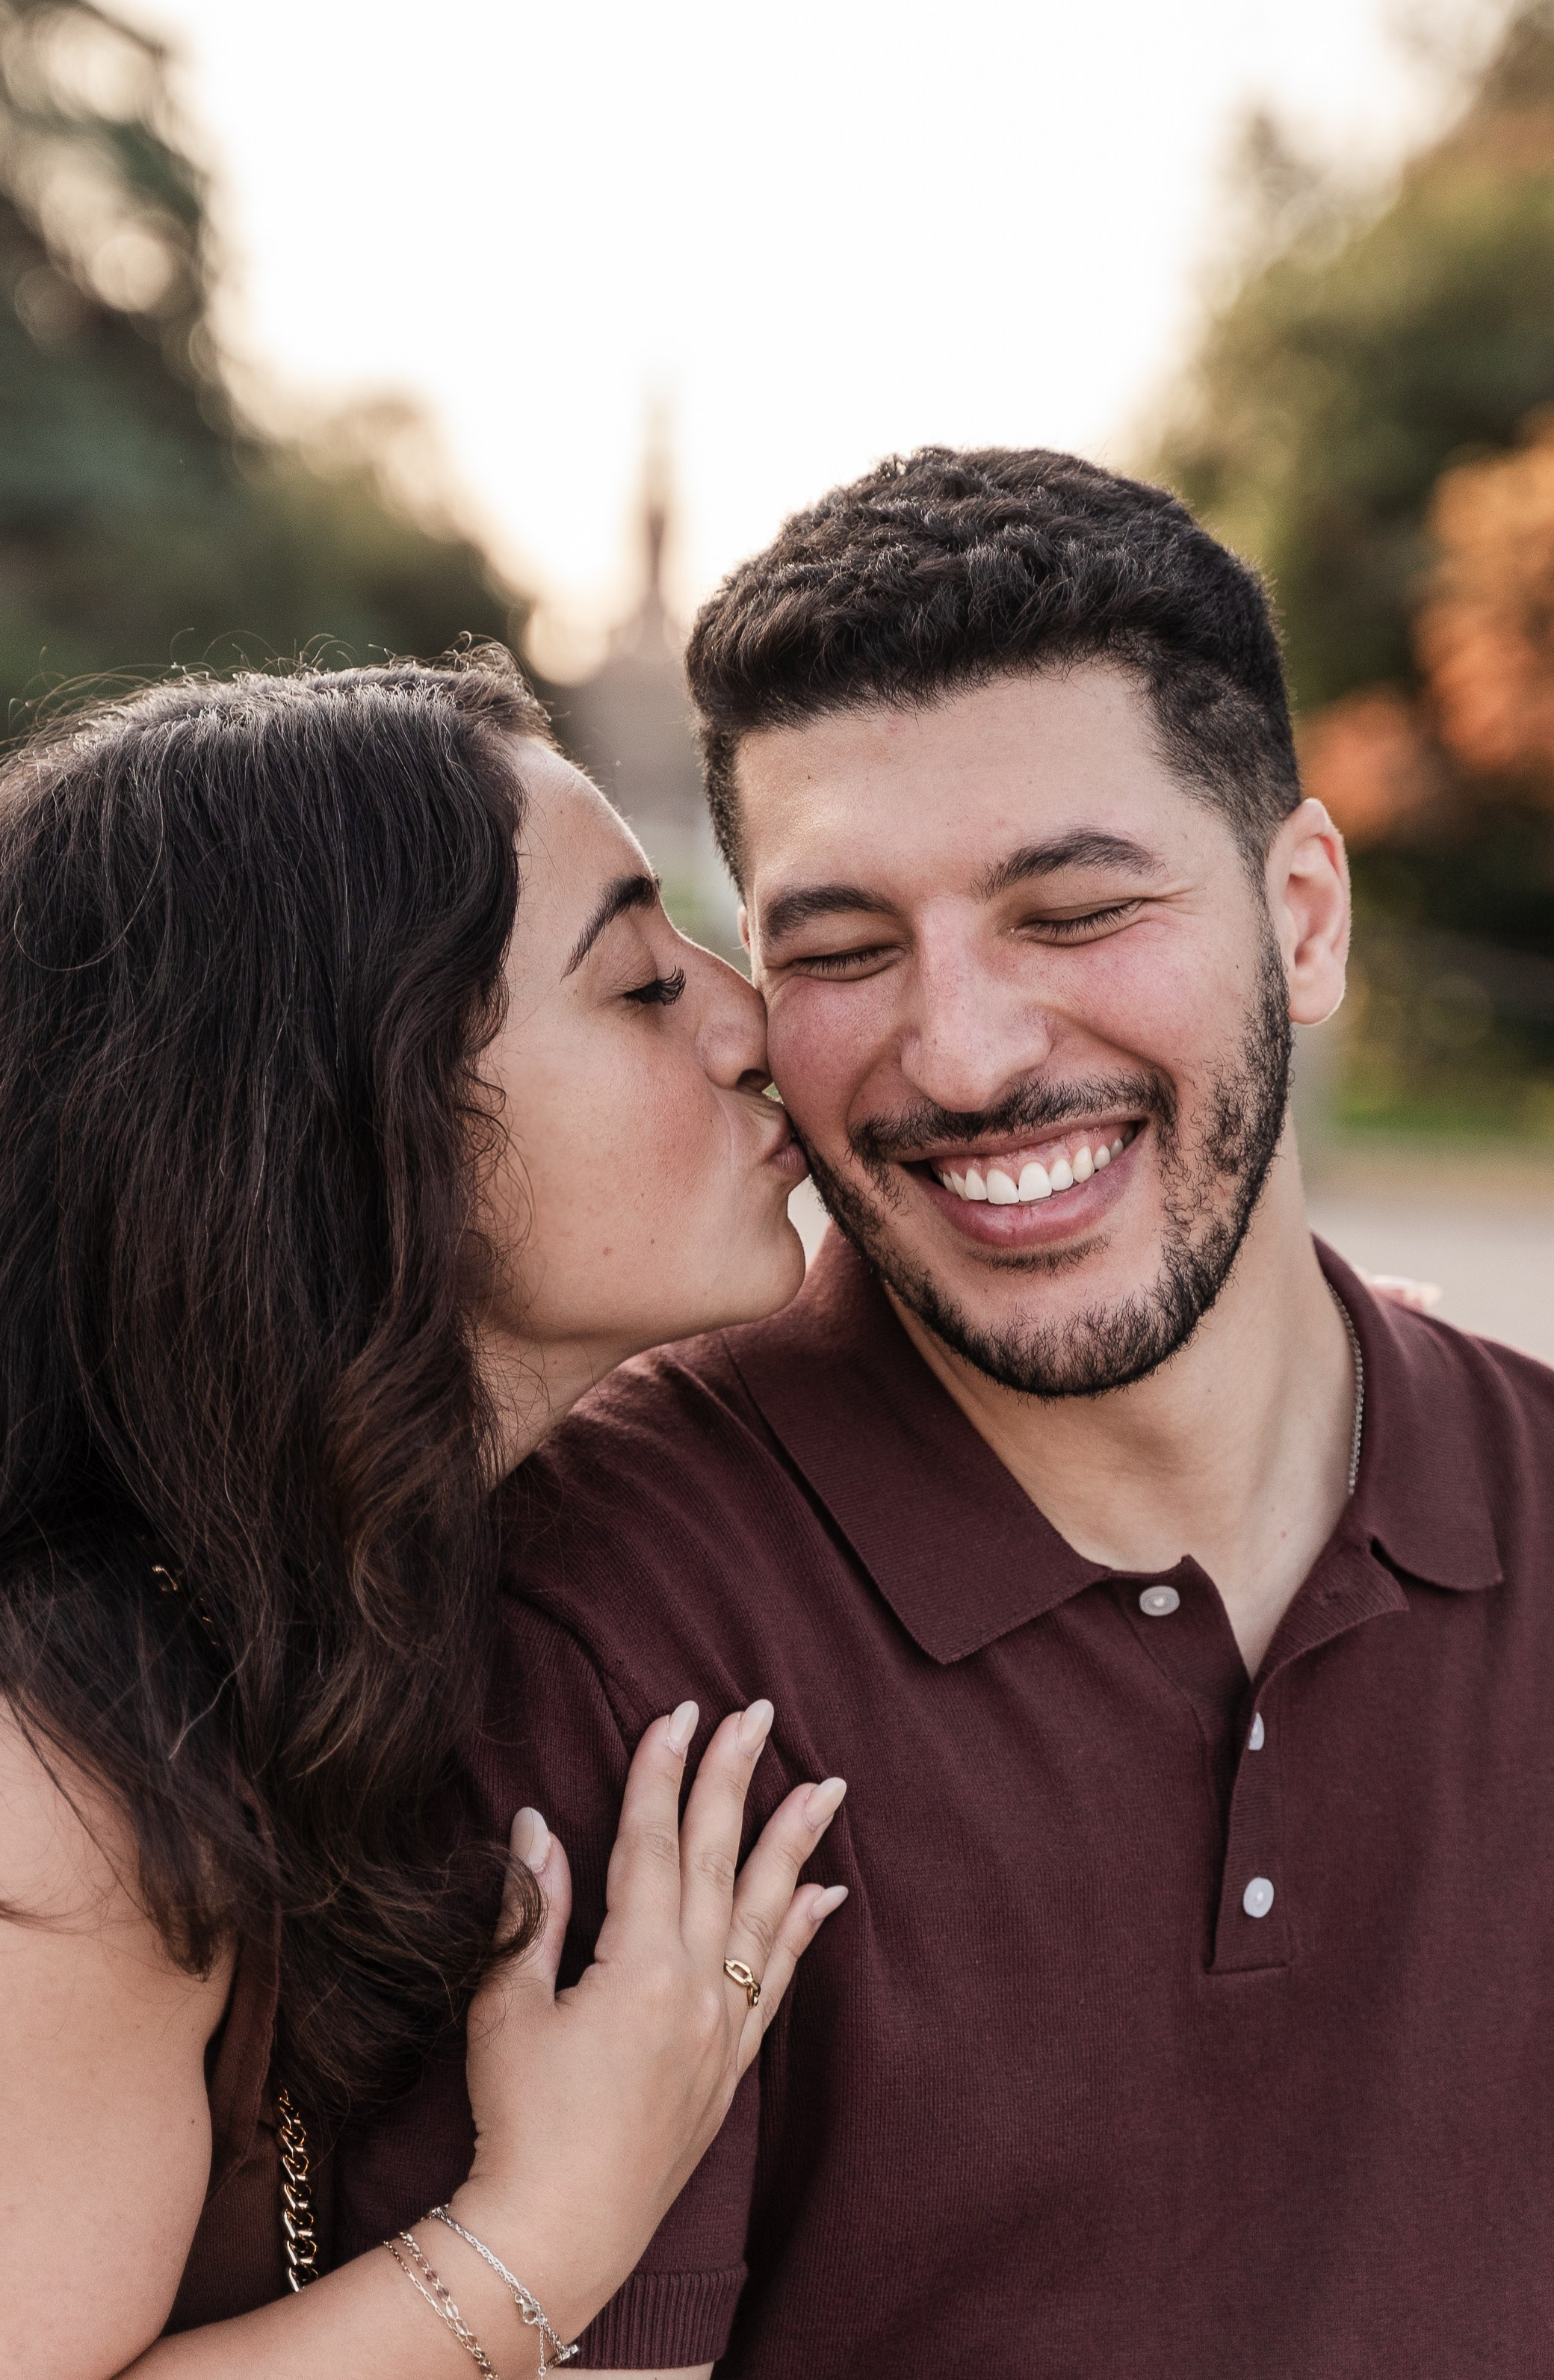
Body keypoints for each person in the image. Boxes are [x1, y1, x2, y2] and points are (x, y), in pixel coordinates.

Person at [336, 451, 1554, 2376]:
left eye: (1069, 913)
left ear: (1300, 920)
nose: (964, 1054)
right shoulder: (599, 1634)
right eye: (834, 950)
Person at [0, 655, 850, 2377]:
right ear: (359, 1130)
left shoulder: (281, 1587)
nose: (751, 1016)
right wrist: (549, 2228)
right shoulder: (38, 1776)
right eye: (635, 981)